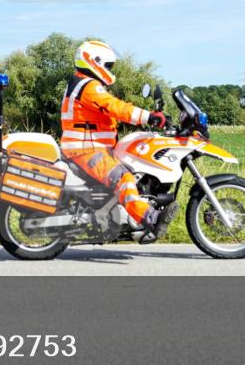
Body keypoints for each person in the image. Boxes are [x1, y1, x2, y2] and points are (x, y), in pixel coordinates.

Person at [60, 40, 177, 239]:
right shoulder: (88, 86)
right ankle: (149, 217)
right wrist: (149, 117)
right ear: (94, 61)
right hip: (86, 150)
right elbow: (115, 107)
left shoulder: (83, 84)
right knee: (124, 179)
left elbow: (109, 111)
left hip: (92, 148)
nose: (110, 70)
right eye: (108, 65)